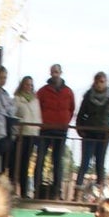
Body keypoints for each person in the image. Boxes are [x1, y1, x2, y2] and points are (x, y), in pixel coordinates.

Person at [73, 72, 109, 198]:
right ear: (94, 82)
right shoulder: (88, 96)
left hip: (103, 135)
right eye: (98, 81)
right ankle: (77, 191)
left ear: (106, 82)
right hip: (89, 133)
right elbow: (81, 113)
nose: (100, 84)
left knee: (100, 163)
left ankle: (100, 193)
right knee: (85, 162)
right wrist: (80, 129)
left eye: (102, 81)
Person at [35, 64, 75, 200]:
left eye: (57, 72)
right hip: (45, 129)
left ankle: (57, 191)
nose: (55, 74)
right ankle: (36, 189)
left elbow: (71, 108)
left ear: (61, 73)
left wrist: (64, 122)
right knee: (40, 159)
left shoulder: (68, 92)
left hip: (61, 130)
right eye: (53, 72)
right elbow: (37, 107)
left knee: (58, 162)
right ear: (50, 73)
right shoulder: (43, 91)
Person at [12, 75, 42, 199]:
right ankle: (14, 190)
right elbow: (13, 115)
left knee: (26, 165)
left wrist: (37, 130)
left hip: (32, 135)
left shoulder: (35, 100)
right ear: (22, 85)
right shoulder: (17, 99)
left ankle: (24, 191)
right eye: (27, 84)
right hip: (20, 135)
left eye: (31, 85)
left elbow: (38, 116)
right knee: (16, 164)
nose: (29, 87)